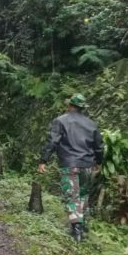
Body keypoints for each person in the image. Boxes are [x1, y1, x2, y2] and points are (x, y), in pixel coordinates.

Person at [38, 93, 104, 242]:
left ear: (69, 106)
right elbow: (99, 146)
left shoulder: (60, 121)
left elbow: (52, 142)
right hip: (87, 165)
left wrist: (43, 160)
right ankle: (82, 224)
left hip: (69, 164)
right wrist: (98, 162)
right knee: (83, 195)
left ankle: (76, 231)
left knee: (72, 196)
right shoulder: (91, 124)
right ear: (83, 108)